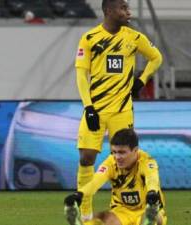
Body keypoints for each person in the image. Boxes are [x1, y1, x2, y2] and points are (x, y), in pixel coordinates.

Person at [74, 0, 162, 221]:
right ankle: (84, 210)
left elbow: (156, 57)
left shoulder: (133, 37)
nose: (128, 12)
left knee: (127, 160)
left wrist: (141, 81)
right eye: (123, 8)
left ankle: (133, 207)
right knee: (86, 157)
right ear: (109, 11)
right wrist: (89, 107)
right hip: (96, 109)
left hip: (122, 111)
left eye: (128, 8)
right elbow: (81, 75)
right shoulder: (90, 38)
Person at [64, 128, 167, 225]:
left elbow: (152, 179)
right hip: (122, 210)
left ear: (135, 150)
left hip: (147, 208)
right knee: (101, 218)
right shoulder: (111, 163)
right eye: (114, 152)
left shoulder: (147, 162)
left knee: (151, 216)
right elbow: (96, 182)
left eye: (122, 152)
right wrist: (79, 194)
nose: (117, 157)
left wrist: (152, 192)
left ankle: (150, 218)